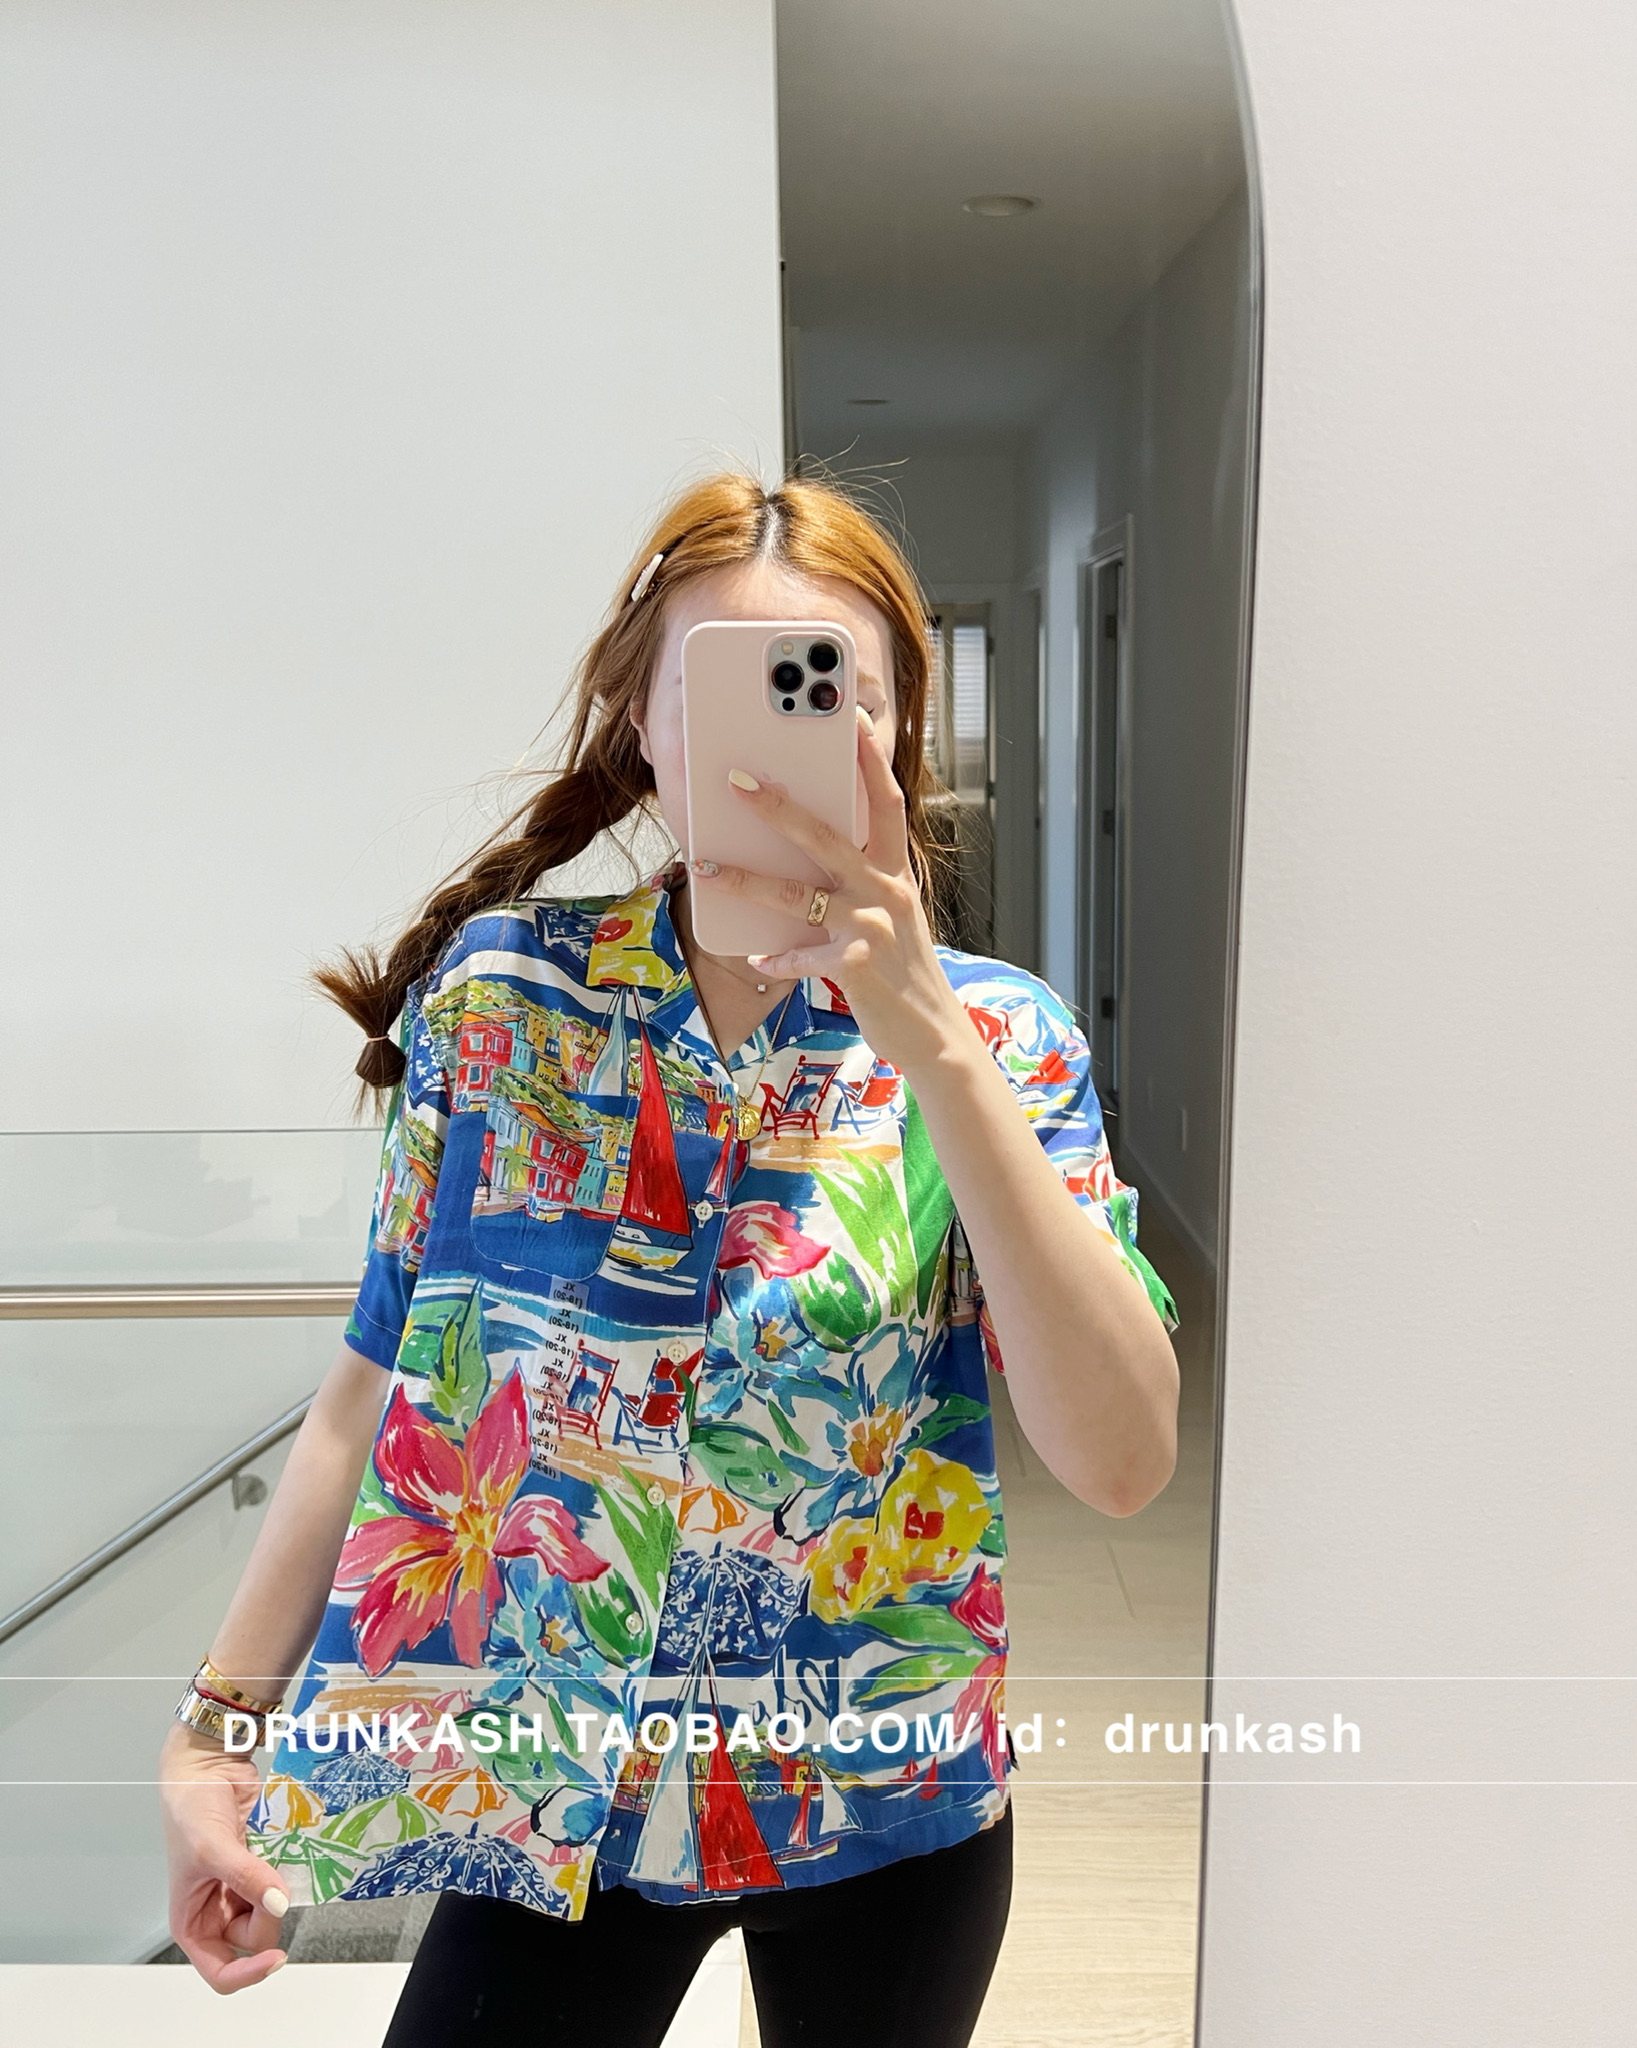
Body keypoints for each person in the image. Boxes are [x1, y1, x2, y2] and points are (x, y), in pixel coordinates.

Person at [158, 467, 1180, 2045]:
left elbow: (1117, 1463)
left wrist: (934, 1050)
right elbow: (368, 1394)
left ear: (894, 730)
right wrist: (216, 1733)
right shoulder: (503, 1004)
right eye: (715, 689)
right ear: (644, 720)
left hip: (878, 1797)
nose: (763, 744)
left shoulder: (1004, 1041)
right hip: (550, 1791)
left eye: (823, 689)